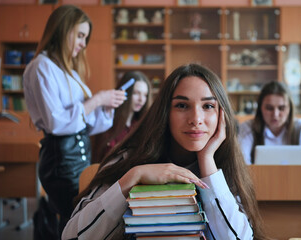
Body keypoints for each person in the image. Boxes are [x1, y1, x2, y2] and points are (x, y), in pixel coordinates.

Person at [62, 64, 266, 240]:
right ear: (164, 113)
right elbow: (72, 236)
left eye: (208, 105)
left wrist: (207, 161)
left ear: (222, 114)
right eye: (182, 105)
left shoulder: (224, 164)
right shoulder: (127, 159)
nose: (196, 118)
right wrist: (134, 177)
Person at [23, 5, 126, 234]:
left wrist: (107, 106)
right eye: (80, 36)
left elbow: (87, 125)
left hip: (77, 156)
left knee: (76, 217)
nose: (82, 44)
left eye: (85, 38)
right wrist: (98, 99)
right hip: (60, 158)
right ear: (62, 30)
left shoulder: (70, 72)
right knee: (75, 218)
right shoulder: (41, 67)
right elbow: (56, 123)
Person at [238, 81, 301, 165]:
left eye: (281, 108)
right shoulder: (248, 127)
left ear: (290, 109)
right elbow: (241, 162)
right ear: (260, 108)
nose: (275, 114)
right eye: (269, 108)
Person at [93, 71, 152, 163]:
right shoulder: (106, 121)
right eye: (136, 93)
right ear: (123, 93)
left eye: (145, 95)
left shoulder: (141, 126)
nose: (141, 99)